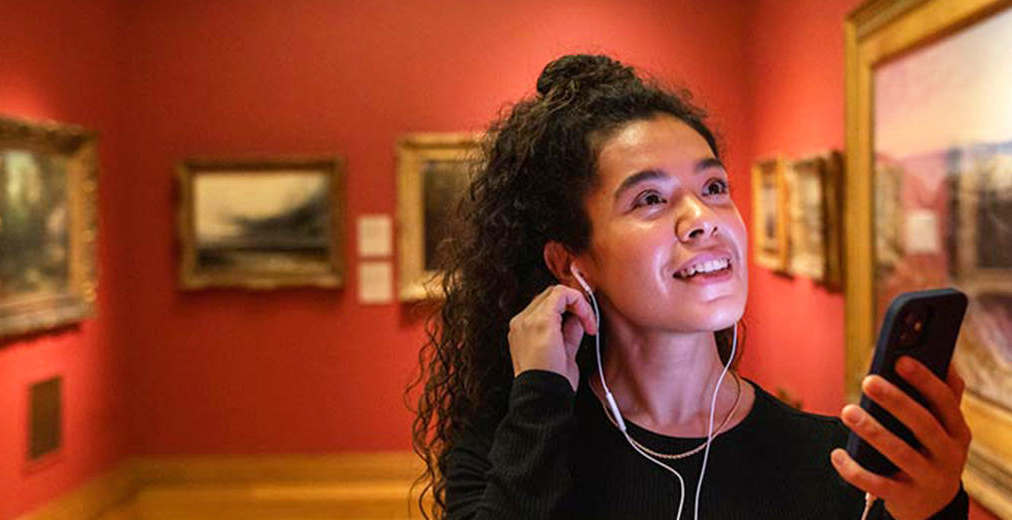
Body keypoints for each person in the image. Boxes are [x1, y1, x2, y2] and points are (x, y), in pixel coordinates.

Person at [412, 54, 971, 519]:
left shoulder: (837, 466)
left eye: (714, 186)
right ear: (571, 262)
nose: (703, 217)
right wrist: (539, 390)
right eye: (650, 199)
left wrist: (934, 510)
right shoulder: (513, 456)